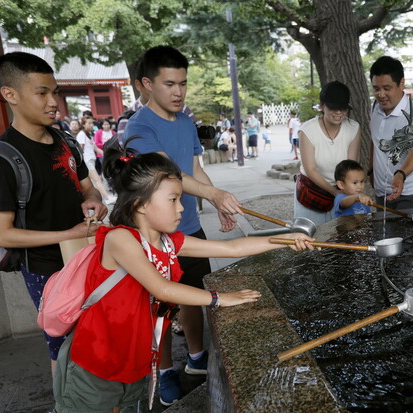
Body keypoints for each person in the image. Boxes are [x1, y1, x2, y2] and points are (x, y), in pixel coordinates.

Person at [52, 145, 317, 413]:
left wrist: (286, 240)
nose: (181, 208)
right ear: (140, 204)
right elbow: (162, 288)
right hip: (95, 359)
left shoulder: (168, 242)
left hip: (131, 358)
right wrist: (221, 298)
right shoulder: (120, 239)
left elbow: (231, 248)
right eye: (173, 200)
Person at [123, 45, 244, 406]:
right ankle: (164, 373)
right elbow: (167, 174)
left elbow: (193, 171)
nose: (178, 92)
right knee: (160, 305)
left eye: (183, 84)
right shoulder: (139, 126)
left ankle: (195, 358)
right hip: (155, 233)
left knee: (194, 295)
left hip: (188, 224)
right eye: (169, 83)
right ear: (147, 84)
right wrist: (215, 193)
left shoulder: (187, 122)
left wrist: (213, 200)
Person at [0, 52, 107, 375]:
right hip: (44, 268)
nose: (54, 102)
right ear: (10, 94)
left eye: (55, 92)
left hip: (85, 256)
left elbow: (87, 186)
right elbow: (1, 233)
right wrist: (68, 234)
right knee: (63, 346)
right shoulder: (2, 159)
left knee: (99, 336)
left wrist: (92, 199)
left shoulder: (65, 141)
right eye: (42, 93)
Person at [369, 56, 413, 210]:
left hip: (409, 193)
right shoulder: (375, 108)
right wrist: (371, 170)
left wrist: (401, 174)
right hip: (381, 191)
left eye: (386, 88)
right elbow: (374, 141)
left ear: (401, 83)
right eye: (376, 89)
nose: (381, 95)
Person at [295, 80, 361, 225]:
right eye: (333, 108)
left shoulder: (353, 127)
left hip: (341, 189)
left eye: (343, 108)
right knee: (310, 238)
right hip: (312, 191)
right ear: (322, 106)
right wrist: (334, 192)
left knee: (340, 238)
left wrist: (352, 192)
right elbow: (310, 169)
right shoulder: (308, 130)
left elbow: (351, 167)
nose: (338, 113)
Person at [77, 116, 116, 204]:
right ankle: (107, 197)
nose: (91, 125)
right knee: (97, 179)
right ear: (83, 124)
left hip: (91, 160)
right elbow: (80, 150)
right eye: (89, 123)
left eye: (92, 123)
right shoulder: (81, 135)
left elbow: (95, 148)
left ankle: (105, 197)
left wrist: (107, 155)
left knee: (95, 180)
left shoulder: (88, 134)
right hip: (86, 161)